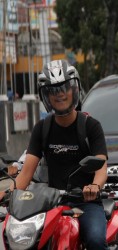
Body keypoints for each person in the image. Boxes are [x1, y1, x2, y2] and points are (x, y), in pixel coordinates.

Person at [1, 60, 109, 249]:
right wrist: (7, 192)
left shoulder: (91, 126)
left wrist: (93, 186)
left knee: (95, 240)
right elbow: (25, 174)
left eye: (64, 87)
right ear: (46, 96)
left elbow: (100, 166)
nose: (59, 93)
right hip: (50, 205)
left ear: (74, 90)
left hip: (86, 203)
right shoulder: (41, 129)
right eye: (53, 90)